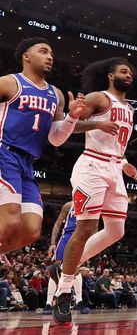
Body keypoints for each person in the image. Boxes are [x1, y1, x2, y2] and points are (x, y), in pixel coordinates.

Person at [50, 57, 137, 326]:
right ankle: (64, 292)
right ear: (111, 75)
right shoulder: (99, 98)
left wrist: (124, 163)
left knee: (116, 231)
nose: (129, 74)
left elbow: (116, 144)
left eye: (131, 72)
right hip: (92, 166)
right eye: (123, 71)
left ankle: (63, 265)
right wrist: (95, 124)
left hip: (113, 169)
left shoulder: (130, 108)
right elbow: (69, 126)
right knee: (86, 228)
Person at [0, 38, 87, 255]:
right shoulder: (10, 82)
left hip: (28, 164)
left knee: (31, 230)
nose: (50, 56)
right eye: (43, 51)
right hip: (4, 152)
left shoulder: (56, 94)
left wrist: (72, 118)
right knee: (9, 220)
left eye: (51, 53)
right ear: (26, 57)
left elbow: (56, 139)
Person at [43, 201, 88, 315]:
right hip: (66, 237)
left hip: (80, 239)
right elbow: (58, 224)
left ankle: (79, 301)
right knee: (55, 270)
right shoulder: (69, 205)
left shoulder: (91, 205)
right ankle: (48, 303)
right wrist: (53, 243)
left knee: (76, 271)